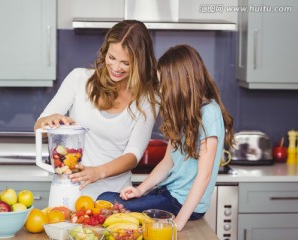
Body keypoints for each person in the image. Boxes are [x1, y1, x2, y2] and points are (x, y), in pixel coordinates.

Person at [97, 44, 235, 231]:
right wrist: (140, 189)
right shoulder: (183, 113)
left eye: (164, 84)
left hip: (181, 205)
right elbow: (167, 162)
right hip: (168, 194)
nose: (161, 90)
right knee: (104, 200)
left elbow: (204, 175)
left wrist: (178, 223)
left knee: (104, 201)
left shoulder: (210, 113)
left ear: (180, 82)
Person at [34, 20, 159, 199]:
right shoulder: (79, 79)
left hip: (116, 198)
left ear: (140, 63)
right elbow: (38, 128)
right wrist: (50, 121)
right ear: (105, 52)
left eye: (126, 63)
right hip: (70, 193)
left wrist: (98, 172)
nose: (116, 68)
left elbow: (133, 155)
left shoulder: (148, 99)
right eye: (112, 58)